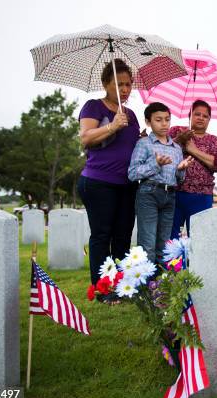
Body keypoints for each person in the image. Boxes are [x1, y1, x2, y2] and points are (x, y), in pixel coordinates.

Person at [77, 58, 139, 297]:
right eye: (119, 84)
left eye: (128, 85)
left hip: (127, 184)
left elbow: (130, 147)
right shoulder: (93, 106)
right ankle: (102, 288)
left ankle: (122, 287)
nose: (125, 89)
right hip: (98, 183)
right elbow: (86, 137)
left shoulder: (131, 115)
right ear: (106, 83)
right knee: (102, 235)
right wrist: (112, 127)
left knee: (123, 237)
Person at [128, 102, 193, 264]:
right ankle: (144, 286)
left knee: (164, 245)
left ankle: (159, 286)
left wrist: (181, 169)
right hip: (149, 193)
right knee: (147, 244)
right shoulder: (144, 143)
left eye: (167, 119)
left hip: (169, 196)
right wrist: (156, 165)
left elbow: (179, 179)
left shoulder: (176, 148)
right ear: (148, 122)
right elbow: (132, 173)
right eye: (158, 120)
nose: (164, 124)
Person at [167, 100, 217, 238]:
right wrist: (178, 140)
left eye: (205, 116)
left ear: (209, 120)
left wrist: (192, 150)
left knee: (199, 237)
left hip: (201, 195)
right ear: (190, 116)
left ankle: (195, 261)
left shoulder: (214, 141)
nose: (200, 118)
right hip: (174, 192)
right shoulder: (176, 131)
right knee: (171, 237)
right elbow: (161, 150)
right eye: (197, 114)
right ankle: (174, 261)